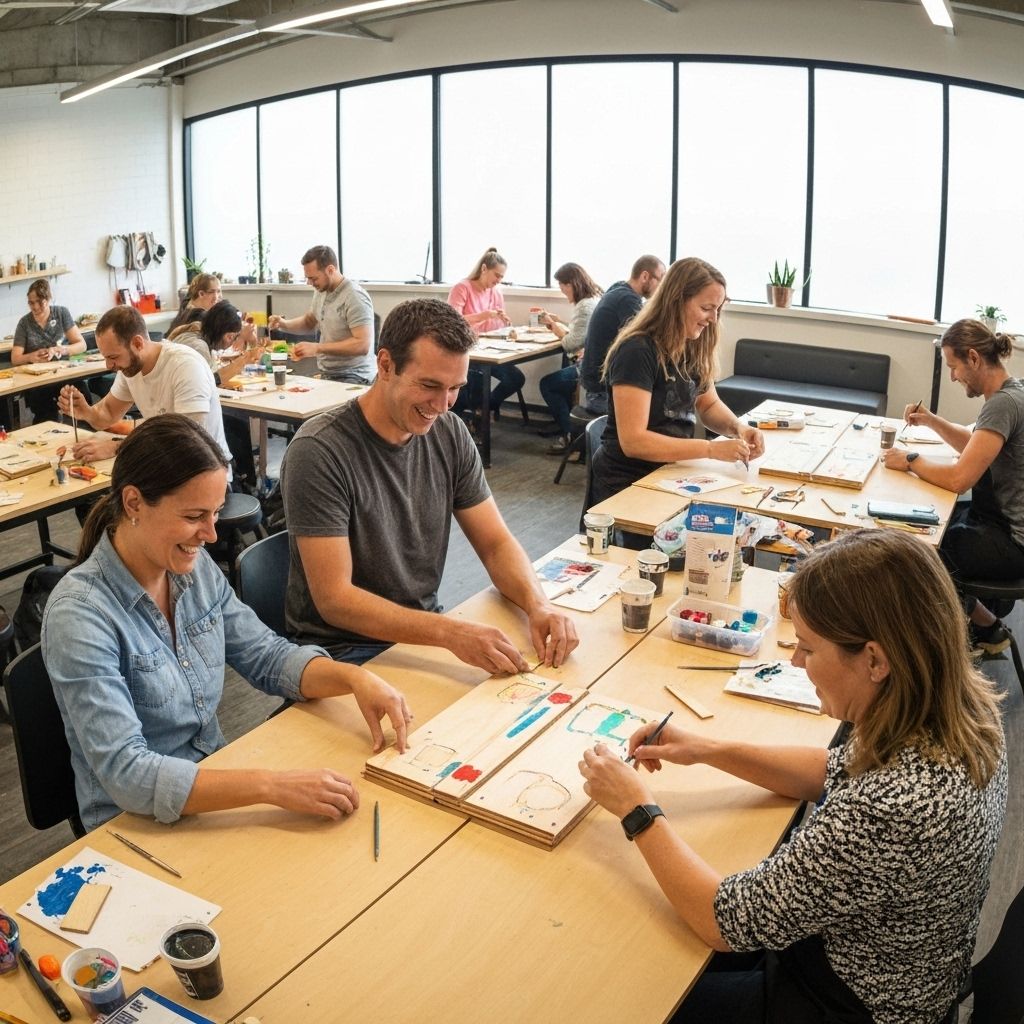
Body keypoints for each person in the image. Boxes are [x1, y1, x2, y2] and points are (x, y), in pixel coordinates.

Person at [579, 528, 1006, 1024]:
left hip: (851, 1004)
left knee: (622, 989)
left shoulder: (895, 806)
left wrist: (638, 810)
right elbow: (834, 769)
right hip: (878, 961)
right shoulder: (957, 710)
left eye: (807, 648)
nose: (795, 661)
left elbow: (726, 920)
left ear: (874, 659)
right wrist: (707, 749)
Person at [41, 415, 412, 832]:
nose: (212, 535)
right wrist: (270, 786)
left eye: (216, 512)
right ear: (133, 504)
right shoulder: (80, 615)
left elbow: (267, 656)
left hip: (208, 789)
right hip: (132, 825)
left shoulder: (192, 569)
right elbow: (128, 774)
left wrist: (354, 678)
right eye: (194, 516)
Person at [279, 297, 578, 671]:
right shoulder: (319, 450)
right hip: (343, 650)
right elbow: (335, 600)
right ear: (385, 365)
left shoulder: (449, 433)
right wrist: (449, 632)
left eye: (455, 387)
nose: (443, 404)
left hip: (422, 632)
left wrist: (538, 605)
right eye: (430, 385)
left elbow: (495, 543)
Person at [590, 257, 764, 543]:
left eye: (718, 309)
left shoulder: (692, 345)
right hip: (628, 480)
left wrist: (738, 428)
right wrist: (710, 449)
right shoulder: (637, 351)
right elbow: (634, 442)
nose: (713, 318)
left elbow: (708, 404)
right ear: (676, 301)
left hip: (670, 472)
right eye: (706, 308)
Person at [883, 317, 1024, 655]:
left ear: (973, 358)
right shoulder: (1012, 391)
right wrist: (931, 420)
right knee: (931, 524)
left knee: (919, 552)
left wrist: (911, 460)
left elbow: (961, 478)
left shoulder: (1002, 404)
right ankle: (984, 625)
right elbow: (975, 446)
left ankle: (951, 644)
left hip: (1012, 542)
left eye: (953, 366)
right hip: (1002, 527)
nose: (952, 376)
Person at [57, 306, 231, 476]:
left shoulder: (185, 366)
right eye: (106, 357)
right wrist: (87, 412)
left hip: (205, 472)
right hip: (166, 464)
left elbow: (187, 439)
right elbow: (108, 413)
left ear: (137, 343)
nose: (109, 366)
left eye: (113, 357)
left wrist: (117, 447)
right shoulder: (130, 368)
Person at [169, 300, 269, 491]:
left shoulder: (194, 333)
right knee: (237, 426)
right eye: (233, 338)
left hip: (181, 407)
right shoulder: (197, 345)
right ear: (229, 335)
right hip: (184, 415)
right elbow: (214, 380)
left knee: (235, 422)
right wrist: (246, 358)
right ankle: (246, 482)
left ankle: (245, 480)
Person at [267, 244, 376, 384]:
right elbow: (309, 321)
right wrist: (283, 324)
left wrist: (317, 348)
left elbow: (362, 344)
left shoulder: (355, 297)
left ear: (330, 270)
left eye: (313, 278)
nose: (309, 283)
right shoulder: (321, 290)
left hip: (355, 376)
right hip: (328, 373)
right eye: (308, 278)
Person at [578, 255, 665, 416]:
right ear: (645, 276)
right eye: (660, 280)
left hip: (592, 376)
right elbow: (643, 339)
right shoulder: (627, 300)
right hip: (602, 386)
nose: (660, 287)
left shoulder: (617, 289)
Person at [447, 247, 525, 419]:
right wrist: (484, 315)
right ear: (484, 269)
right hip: (466, 351)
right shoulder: (462, 288)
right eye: (497, 275)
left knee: (516, 378)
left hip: (489, 349)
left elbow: (495, 326)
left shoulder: (496, 292)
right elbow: (453, 321)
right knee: (478, 379)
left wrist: (504, 323)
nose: (499, 280)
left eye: (502, 277)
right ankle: (477, 415)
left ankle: (486, 409)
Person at [536, 262, 603, 454]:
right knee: (561, 383)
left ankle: (570, 436)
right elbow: (581, 333)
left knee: (548, 384)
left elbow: (571, 343)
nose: (563, 293)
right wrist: (559, 322)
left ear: (571, 284)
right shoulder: (593, 299)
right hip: (595, 362)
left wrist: (552, 325)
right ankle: (566, 426)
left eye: (563, 288)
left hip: (589, 366)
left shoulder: (585, 307)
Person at [11, 278, 89, 423]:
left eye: (39, 302)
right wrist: (31, 357)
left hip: (65, 374)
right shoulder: (24, 323)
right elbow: (15, 358)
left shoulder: (61, 313)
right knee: (44, 410)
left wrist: (61, 349)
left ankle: (85, 428)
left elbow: (81, 345)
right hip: (39, 380)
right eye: (31, 303)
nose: (35, 307)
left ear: (48, 299)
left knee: (81, 394)